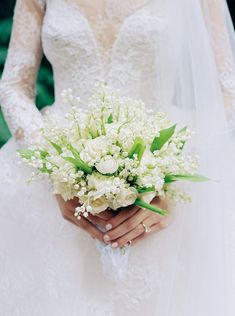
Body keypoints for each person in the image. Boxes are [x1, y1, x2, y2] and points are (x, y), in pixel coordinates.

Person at [0, 0, 235, 315]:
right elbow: (14, 86)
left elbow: (226, 93)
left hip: (162, 177)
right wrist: (55, 170)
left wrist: (173, 179)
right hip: (52, 183)